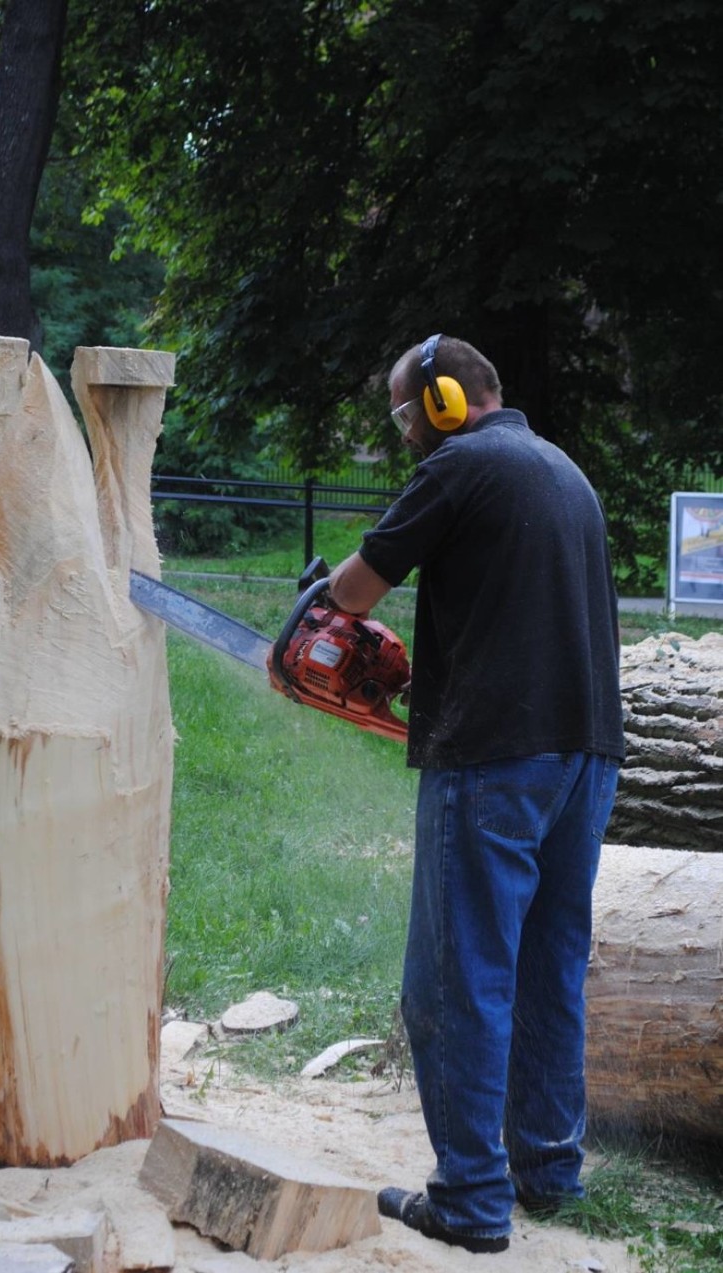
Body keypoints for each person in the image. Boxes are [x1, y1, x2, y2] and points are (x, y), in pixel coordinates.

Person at [327, 334, 625, 1255]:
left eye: (403, 411)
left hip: (496, 759)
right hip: (586, 756)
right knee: (547, 965)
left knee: (456, 979)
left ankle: (468, 1196)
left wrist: (325, 602)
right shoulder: (560, 468)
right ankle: (548, 1171)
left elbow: (356, 588)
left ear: (445, 401)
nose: (405, 428)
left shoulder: (459, 464)